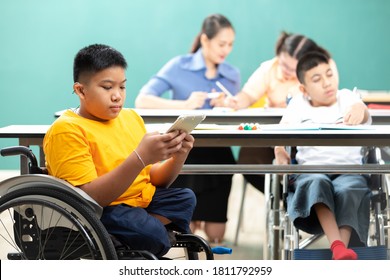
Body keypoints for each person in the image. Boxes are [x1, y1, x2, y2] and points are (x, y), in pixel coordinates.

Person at [43, 44, 197, 258]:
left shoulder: (130, 118)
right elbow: (88, 199)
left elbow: (155, 180)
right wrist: (140, 157)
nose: (117, 96)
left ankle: (140, 231)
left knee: (185, 198)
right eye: (107, 87)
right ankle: (144, 232)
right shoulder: (67, 129)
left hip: (139, 203)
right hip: (103, 210)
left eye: (122, 87)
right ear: (80, 90)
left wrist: (178, 156)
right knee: (152, 234)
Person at [135, 14, 240, 244]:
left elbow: (237, 111)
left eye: (230, 44)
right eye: (221, 44)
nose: (226, 50)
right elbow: (143, 99)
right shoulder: (178, 66)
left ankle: (203, 220)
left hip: (218, 154)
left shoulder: (231, 75)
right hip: (182, 152)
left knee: (216, 235)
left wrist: (232, 105)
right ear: (205, 40)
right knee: (186, 230)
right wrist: (184, 105)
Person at [274, 51, 372, 260]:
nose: (327, 83)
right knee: (316, 182)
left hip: (349, 172)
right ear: (304, 89)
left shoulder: (346, 97)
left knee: (350, 188)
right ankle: (338, 248)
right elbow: (280, 134)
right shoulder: (298, 104)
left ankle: (339, 249)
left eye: (329, 74)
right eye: (317, 79)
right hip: (312, 172)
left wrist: (359, 109)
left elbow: (360, 109)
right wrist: (279, 151)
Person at [215, 31, 339, 194]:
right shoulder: (269, 68)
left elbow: (327, 100)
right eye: (283, 64)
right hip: (275, 134)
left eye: (292, 68)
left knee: (309, 166)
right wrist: (237, 101)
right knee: (247, 159)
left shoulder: (322, 67)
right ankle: (284, 198)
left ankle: (305, 197)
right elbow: (249, 94)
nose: (286, 71)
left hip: (308, 135)